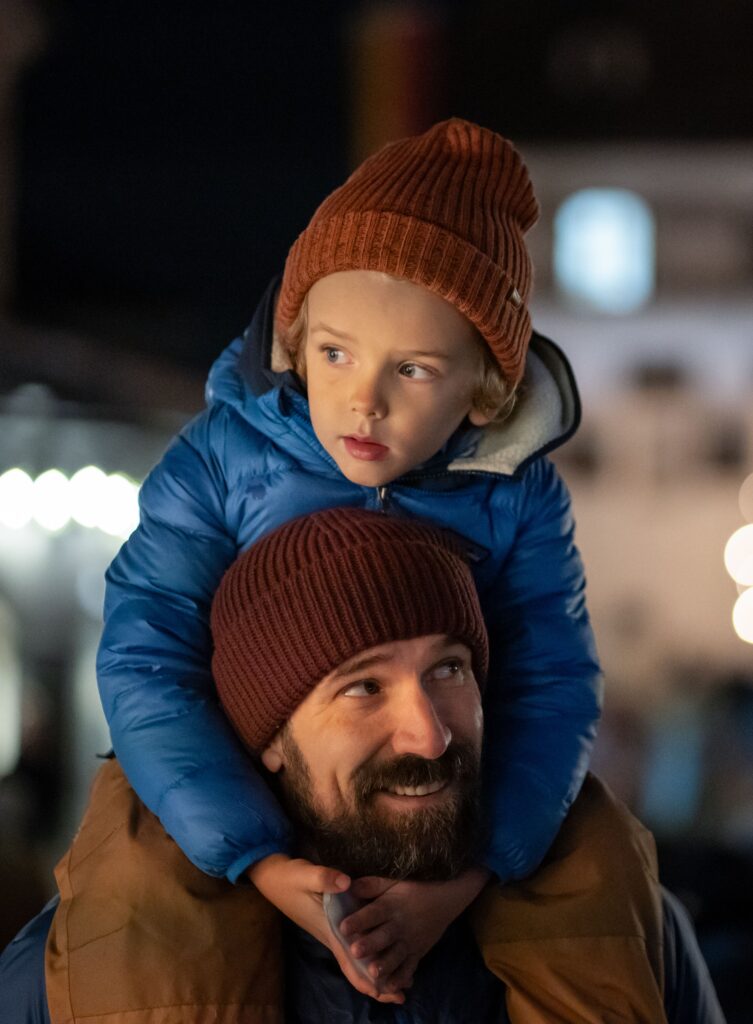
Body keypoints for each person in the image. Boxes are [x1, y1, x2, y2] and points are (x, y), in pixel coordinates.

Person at [93, 118, 603, 985]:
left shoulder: (517, 494)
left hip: (447, 810)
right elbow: (146, 653)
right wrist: (253, 855)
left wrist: (478, 870)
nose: (363, 401)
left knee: (607, 890)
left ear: (484, 391)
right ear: (295, 342)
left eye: (412, 370)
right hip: (224, 798)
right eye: (335, 354)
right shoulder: (218, 462)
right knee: (131, 936)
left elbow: (551, 677)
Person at [0, 509, 725, 1022]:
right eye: (363, 687)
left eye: (449, 670)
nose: (429, 736)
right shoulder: (73, 973)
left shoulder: (633, 935)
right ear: (268, 739)